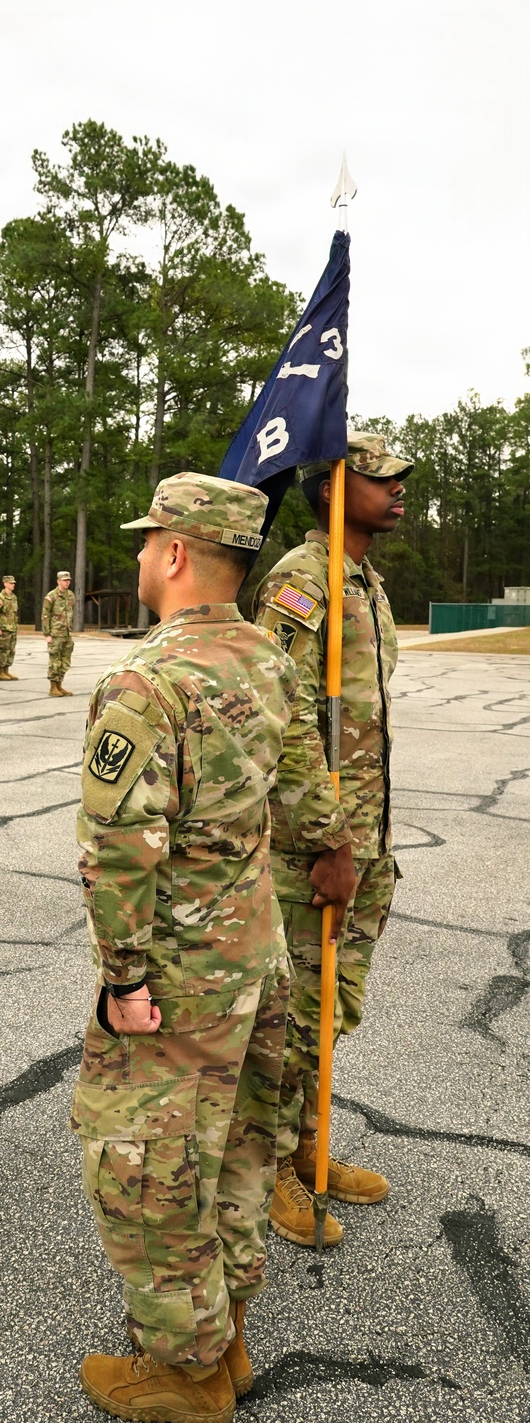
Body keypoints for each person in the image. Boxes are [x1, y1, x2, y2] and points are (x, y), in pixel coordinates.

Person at [71, 473, 295, 1423]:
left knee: (147, 1165)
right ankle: (228, 1322)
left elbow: (121, 846)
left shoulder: (147, 678)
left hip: (180, 972)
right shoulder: (268, 659)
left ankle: (186, 1368)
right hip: (256, 951)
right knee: (243, 1146)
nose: (141, 555)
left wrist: (123, 978)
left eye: (146, 541)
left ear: (173, 553)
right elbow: (292, 799)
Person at [253, 431, 412, 1248]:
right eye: (382, 479)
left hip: (364, 836)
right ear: (332, 490)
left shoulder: (366, 582)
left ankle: (310, 1143)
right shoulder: (299, 581)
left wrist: (369, 839)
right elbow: (278, 717)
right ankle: (274, 1168)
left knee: (333, 1006)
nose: (399, 490)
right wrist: (326, 837)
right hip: (313, 845)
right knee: (292, 1014)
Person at [42, 570, 74, 696]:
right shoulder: (51, 596)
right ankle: (53, 687)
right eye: (64, 580)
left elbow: (70, 612)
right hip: (55, 634)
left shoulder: (70, 595)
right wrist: (47, 634)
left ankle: (60, 685)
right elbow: (45, 615)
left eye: (68, 580)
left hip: (66, 633)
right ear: (58, 581)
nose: (67, 582)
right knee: (54, 661)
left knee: (65, 661)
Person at [0, 575, 19, 680]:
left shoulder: (14, 597)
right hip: (4, 629)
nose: (13, 585)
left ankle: (7, 670)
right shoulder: (0, 598)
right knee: (4, 650)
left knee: (11, 650)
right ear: (5, 584)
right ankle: (1, 672)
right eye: (11, 583)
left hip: (13, 628)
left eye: (13, 583)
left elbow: (15, 613)